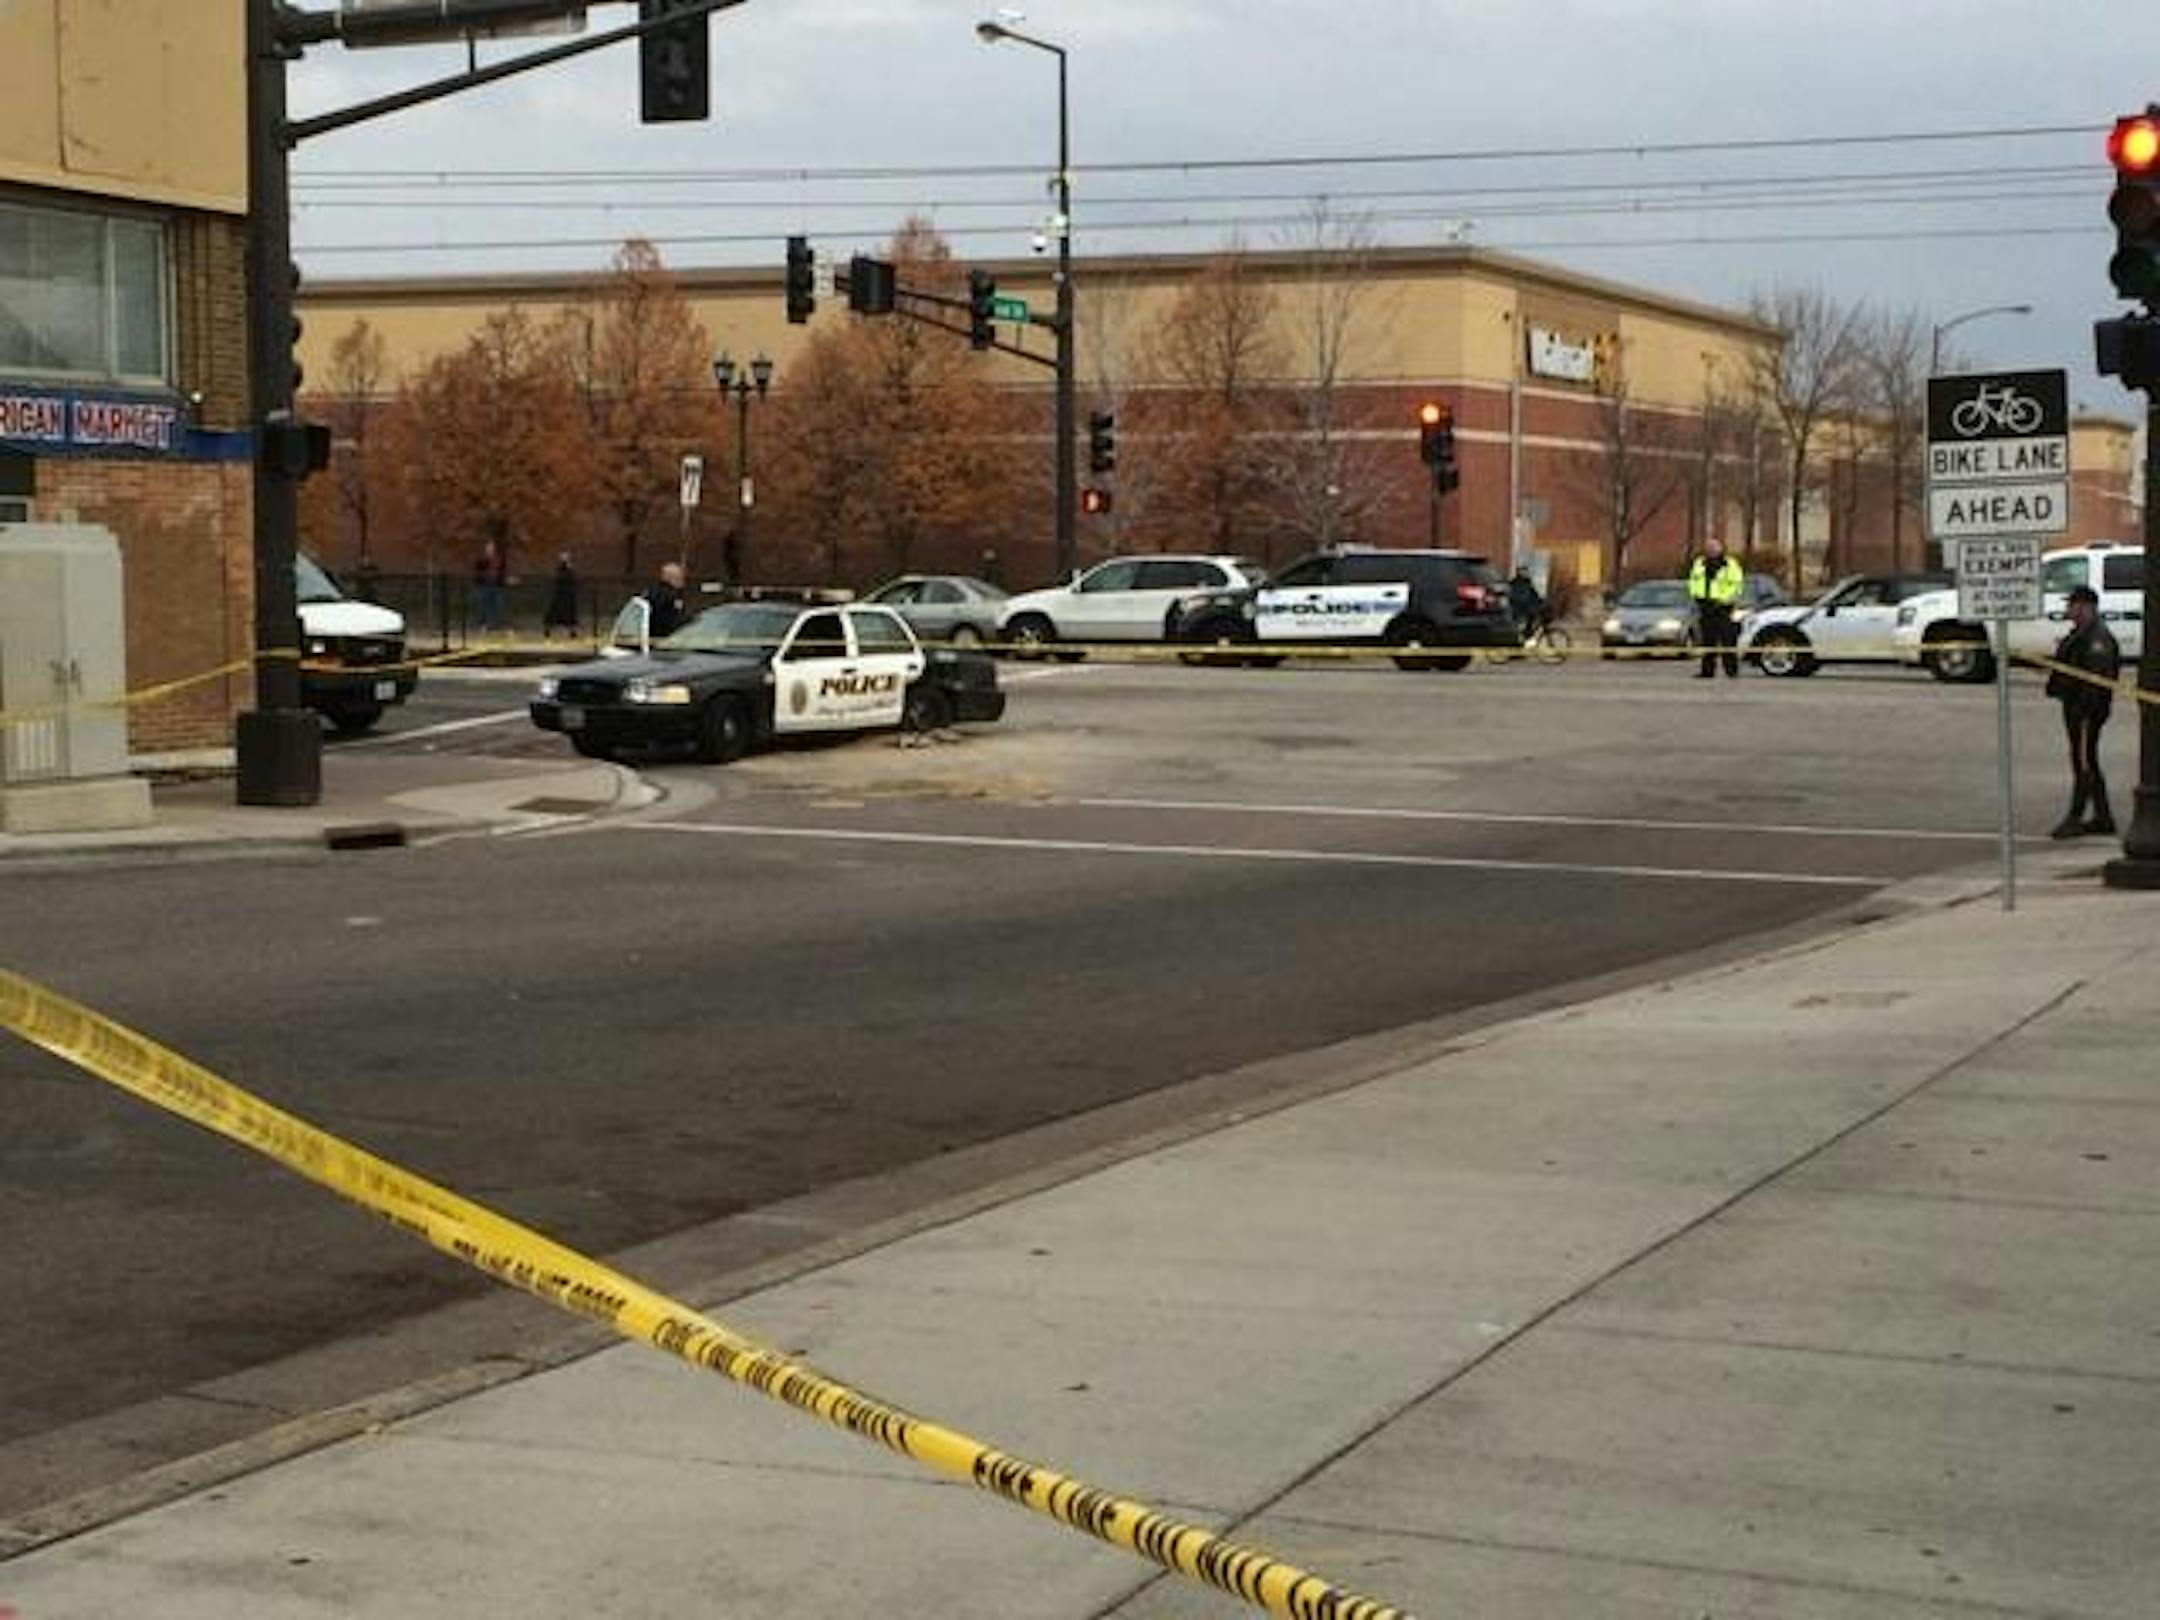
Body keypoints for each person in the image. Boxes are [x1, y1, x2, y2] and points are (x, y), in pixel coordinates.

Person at [2046, 584, 2122, 840]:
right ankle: (2103, 817)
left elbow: (2098, 679)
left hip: (2086, 711)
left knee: (2083, 762)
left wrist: (2085, 712)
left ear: (2086, 607)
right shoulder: (2082, 633)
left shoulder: (2097, 637)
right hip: (2076, 707)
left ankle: (2074, 817)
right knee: (2087, 759)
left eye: (2072, 604)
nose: (2068, 609)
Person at [1687, 538, 1745, 679]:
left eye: (1714, 547)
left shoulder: (1730, 564)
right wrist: (1696, 596)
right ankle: (1707, 671)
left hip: (1723, 607)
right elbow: (1693, 581)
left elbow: (1737, 585)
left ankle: (1731, 671)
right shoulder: (1699, 563)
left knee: (1728, 640)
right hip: (1705, 606)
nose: (1711, 550)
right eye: (1708, 547)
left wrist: (1726, 600)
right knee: (1708, 641)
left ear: (1720, 548)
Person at [472, 539, 508, 635]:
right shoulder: (481, 560)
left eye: (492, 548)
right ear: (486, 549)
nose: (490, 549)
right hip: (484, 586)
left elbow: (502, 573)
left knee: (498, 606)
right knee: (483, 606)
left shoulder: (499, 560)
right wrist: (481, 580)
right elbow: (477, 573)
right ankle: (482, 625)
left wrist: (504, 581)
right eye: (489, 548)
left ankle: (496, 625)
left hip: (496, 586)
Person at [645, 560, 688, 640]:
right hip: (664, 639)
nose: (682, 581)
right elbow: (674, 619)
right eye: (679, 577)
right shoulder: (667, 595)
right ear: (669, 578)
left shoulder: (654, 591)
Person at [543, 552, 580, 639]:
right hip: (560, 595)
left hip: (567, 596)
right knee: (554, 614)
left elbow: (573, 581)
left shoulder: (570, 570)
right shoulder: (560, 571)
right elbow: (559, 580)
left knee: (570, 616)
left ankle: (572, 632)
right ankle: (548, 630)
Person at [1507, 566, 1547, 638]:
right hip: (1518, 607)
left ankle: (1528, 631)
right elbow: (1515, 596)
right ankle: (1524, 632)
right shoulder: (1514, 583)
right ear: (1518, 572)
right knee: (1529, 614)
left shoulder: (1528, 582)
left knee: (1536, 614)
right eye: (1522, 571)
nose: (1525, 573)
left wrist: (1541, 601)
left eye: (1525, 571)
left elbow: (1534, 594)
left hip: (1527, 606)